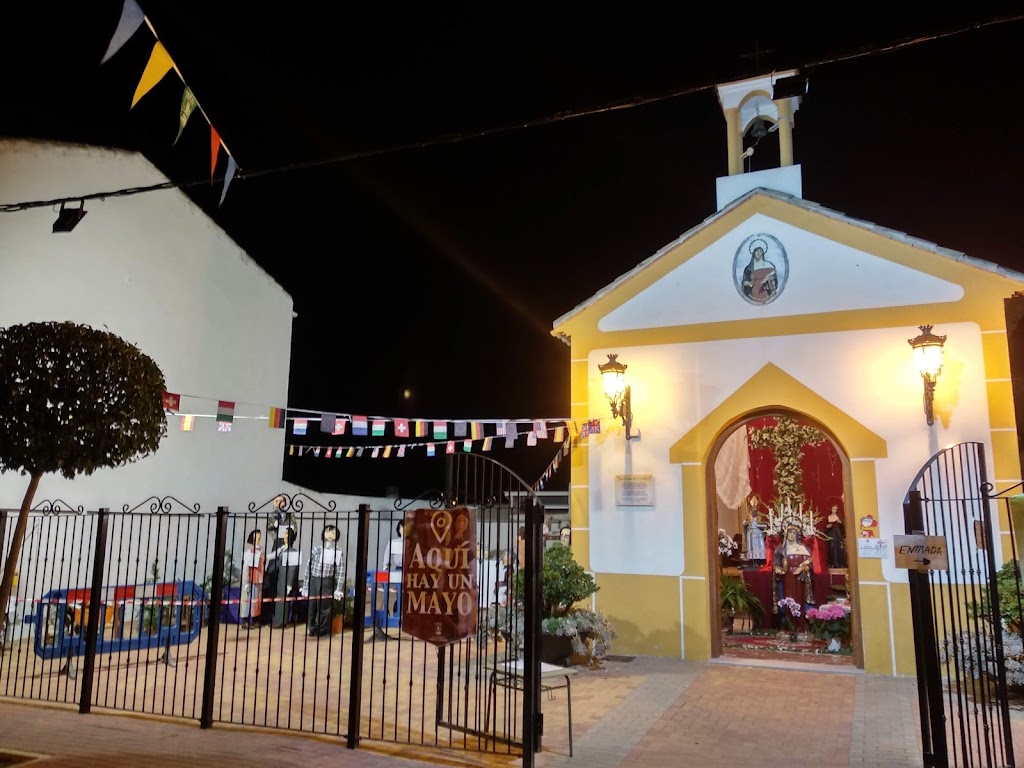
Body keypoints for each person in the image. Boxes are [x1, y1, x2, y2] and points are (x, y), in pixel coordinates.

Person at [301, 524, 345, 637]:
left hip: (327, 581)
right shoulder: (317, 549)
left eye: (333, 532)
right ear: (324, 534)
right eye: (328, 531)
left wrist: (339, 588)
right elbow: (308, 567)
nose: (330, 534)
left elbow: (341, 570)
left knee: (325, 607)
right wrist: (305, 585)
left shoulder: (338, 551)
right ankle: (312, 628)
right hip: (314, 579)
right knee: (312, 605)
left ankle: (323, 630)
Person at [771, 524, 815, 632]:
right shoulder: (780, 549)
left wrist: (802, 569)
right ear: (786, 534)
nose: (791, 535)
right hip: (786, 577)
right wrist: (777, 569)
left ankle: (800, 626)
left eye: (794, 533)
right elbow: (776, 563)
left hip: (800, 577)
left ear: (797, 535)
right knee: (786, 599)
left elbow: (809, 563)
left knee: (799, 599)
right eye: (789, 533)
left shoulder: (803, 548)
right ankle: (787, 625)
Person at [270, 528, 301, 627]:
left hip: (286, 580)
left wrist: (289, 584)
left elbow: (292, 569)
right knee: (279, 600)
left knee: (283, 601)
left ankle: (282, 622)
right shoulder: (282, 549)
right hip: (279, 578)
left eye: (287, 534)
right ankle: (278, 620)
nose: (285, 536)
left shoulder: (293, 552)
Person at [240, 529, 265, 630]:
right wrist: (246, 582)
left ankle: (255, 620)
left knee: (256, 602)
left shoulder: (261, 551)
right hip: (250, 580)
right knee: (246, 600)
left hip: (258, 580)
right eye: (257, 537)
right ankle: (245, 621)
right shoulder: (248, 552)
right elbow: (246, 567)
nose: (258, 539)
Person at [741, 238, 777, 303]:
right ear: (754, 253)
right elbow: (745, 282)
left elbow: (774, 278)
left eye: (760, 251)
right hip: (754, 291)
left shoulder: (768, 265)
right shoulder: (749, 268)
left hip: (765, 290)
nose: (758, 252)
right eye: (757, 251)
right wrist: (749, 284)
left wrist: (769, 279)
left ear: (762, 253)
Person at [825, 503, 847, 568]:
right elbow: (825, 526)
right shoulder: (829, 517)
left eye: (835, 509)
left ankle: (839, 563)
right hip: (831, 533)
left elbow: (843, 526)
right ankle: (832, 563)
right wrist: (827, 526)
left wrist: (840, 522)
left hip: (837, 534)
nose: (834, 510)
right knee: (831, 547)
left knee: (838, 547)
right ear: (831, 509)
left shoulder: (839, 517)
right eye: (833, 509)